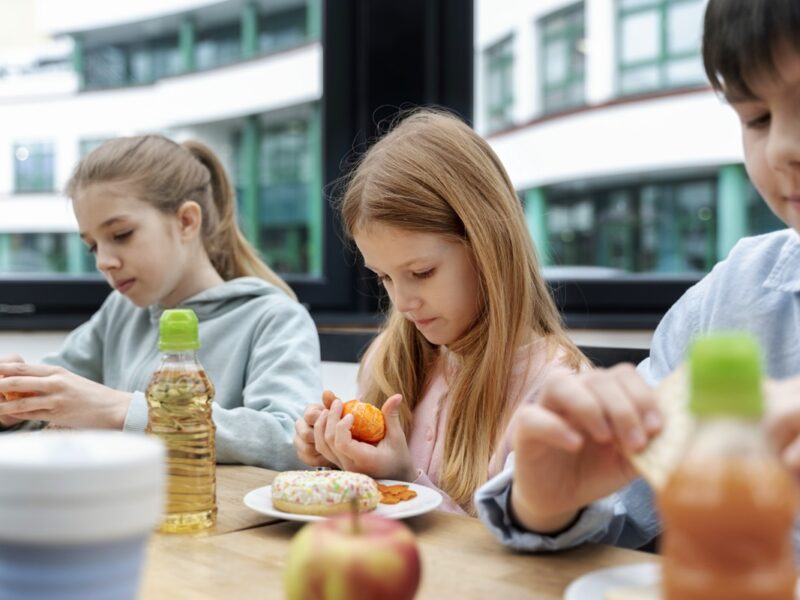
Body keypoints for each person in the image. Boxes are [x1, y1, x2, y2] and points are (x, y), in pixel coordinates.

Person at [474, 0, 800, 550]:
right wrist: (548, 502)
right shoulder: (728, 305)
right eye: (756, 118)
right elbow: (621, 512)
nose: (783, 147)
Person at [292, 109, 587, 515]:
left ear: (488, 246)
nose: (402, 302)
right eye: (384, 279)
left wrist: (403, 480)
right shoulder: (387, 360)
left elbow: (519, 555)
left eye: (421, 272)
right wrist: (338, 460)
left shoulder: (556, 393)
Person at [0, 135, 321, 470]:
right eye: (93, 246)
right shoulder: (120, 312)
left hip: (217, 517)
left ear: (186, 221)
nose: (103, 262)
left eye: (121, 234)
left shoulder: (274, 318)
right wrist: (15, 404)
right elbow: (56, 397)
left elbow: (291, 440)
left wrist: (121, 410)